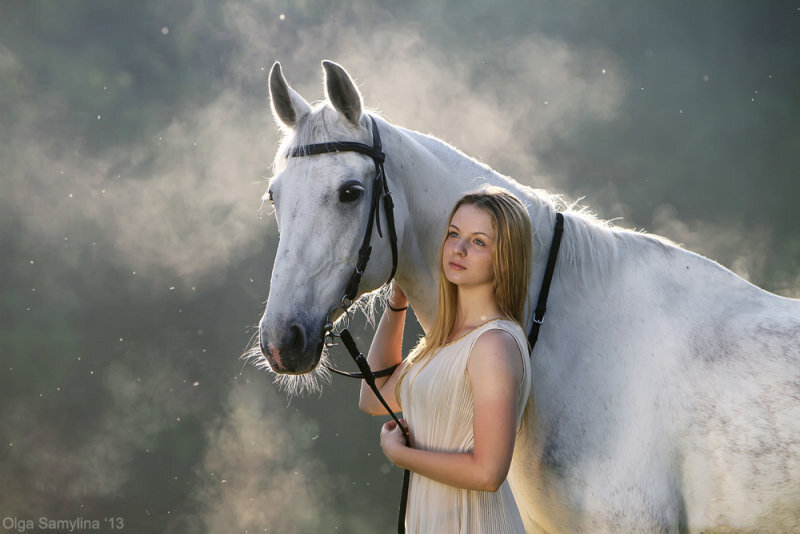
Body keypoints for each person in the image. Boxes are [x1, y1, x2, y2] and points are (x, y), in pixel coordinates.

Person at [359, 186, 534, 533]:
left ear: (506, 257)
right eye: (454, 234)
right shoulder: (445, 341)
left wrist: (401, 456)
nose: (459, 248)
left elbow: (488, 473)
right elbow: (373, 397)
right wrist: (398, 301)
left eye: (478, 241)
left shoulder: (493, 345)